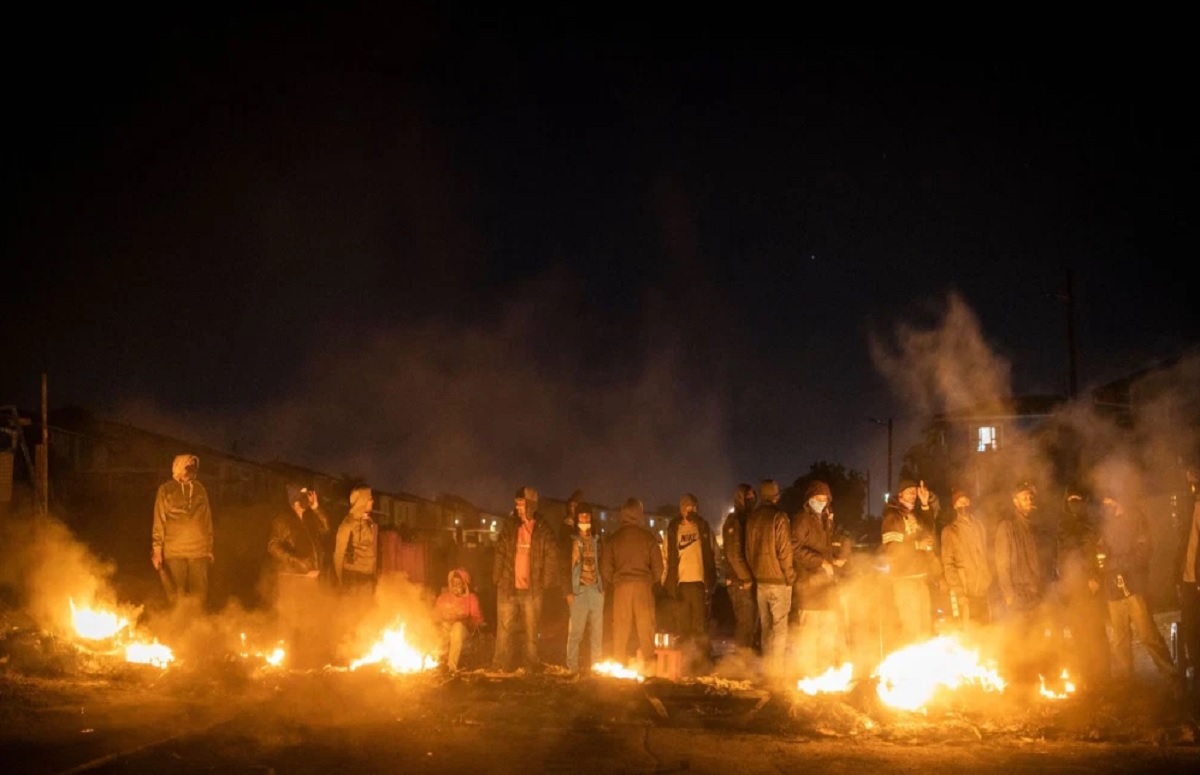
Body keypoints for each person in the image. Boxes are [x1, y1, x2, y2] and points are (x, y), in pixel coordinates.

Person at [1098, 489, 1178, 686]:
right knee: (1120, 643)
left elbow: (1143, 552)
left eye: (1109, 501)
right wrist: (1099, 558)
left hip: (1134, 588)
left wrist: (1114, 563)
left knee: (1148, 635)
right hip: (1113, 592)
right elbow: (1100, 551)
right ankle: (1127, 685)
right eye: (1104, 502)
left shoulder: (1136, 519)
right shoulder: (1104, 526)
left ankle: (1173, 679)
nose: (1106, 505)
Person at [491, 486, 559, 673]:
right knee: (504, 630)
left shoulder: (543, 529)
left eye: (521, 503)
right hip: (507, 587)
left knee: (531, 631)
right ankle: (500, 666)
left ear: (531, 505)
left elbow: (552, 555)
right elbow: (500, 551)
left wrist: (545, 582)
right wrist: (497, 576)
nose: (518, 506)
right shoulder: (510, 525)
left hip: (533, 589)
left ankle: (531, 664)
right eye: (516, 503)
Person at [266, 483, 332, 667]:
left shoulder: (311, 518)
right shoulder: (282, 520)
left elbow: (326, 529)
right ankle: (285, 662)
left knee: (310, 618)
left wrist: (317, 508)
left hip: (311, 577)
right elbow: (273, 546)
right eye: (303, 496)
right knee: (290, 620)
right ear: (295, 501)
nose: (307, 499)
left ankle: (307, 659)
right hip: (292, 578)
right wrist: (297, 562)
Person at [994, 480, 1052, 684]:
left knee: (1034, 640)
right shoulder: (1007, 527)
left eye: (1030, 497)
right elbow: (1002, 564)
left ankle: (1034, 683)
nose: (1029, 500)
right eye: (1024, 497)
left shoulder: (1031, 527)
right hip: (1018, 595)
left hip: (1034, 593)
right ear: (1015, 501)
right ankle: (1020, 687)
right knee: (1019, 641)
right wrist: (1009, 594)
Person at [600, 497, 663, 676]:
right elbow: (659, 568)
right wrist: (649, 580)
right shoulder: (648, 538)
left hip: (621, 588)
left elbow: (605, 567)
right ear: (639, 514)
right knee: (646, 627)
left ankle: (619, 665)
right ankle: (650, 669)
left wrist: (616, 580)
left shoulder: (614, 539)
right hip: (643, 587)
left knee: (620, 628)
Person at [790, 480, 846, 678]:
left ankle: (825, 672)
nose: (822, 502)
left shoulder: (825, 520)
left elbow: (829, 546)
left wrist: (836, 558)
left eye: (825, 499)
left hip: (826, 587)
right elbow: (794, 548)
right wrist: (821, 562)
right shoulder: (802, 520)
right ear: (809, 499)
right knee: (809, 634)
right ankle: (808, 673)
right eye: (818, 498)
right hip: (809, 585)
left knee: (828, 630)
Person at [1055, 486, 1109, 693]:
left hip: (1091, 586)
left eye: (1078, 498)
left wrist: (1095, 576)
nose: (1074, 502)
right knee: (1079, 631)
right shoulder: (1063, 526)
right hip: (1073, 586)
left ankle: (1103, 675)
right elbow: (1061, 556)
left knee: (1096, 631)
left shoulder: (1092, 524)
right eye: (1071, 499)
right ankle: (1085, 676)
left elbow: (1099, 552)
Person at [743, 479, 795, 683]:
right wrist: (790, 576)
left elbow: (748, 551)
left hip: (760, 582)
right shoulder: (779, 518)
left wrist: (755, 573)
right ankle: (777, 672)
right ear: (776, 496)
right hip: (778, 581)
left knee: (765, 627)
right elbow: (784, 551)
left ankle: (767, 668)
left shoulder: (752, 518)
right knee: (780, 628)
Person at [880, 478, 940, 647]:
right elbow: (891, 546)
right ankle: (909, 665)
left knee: (924, 623)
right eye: (909, 492)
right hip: (904, 579)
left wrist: (925, 504)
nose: (913, 495)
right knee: (911, 625)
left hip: (920, 577)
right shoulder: (892, 516)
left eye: (915, 491)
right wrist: (916, 545)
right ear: (900, 494)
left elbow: (929, 530)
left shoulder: (917, 514)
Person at [151, 453, 213, 610]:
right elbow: (159, 520)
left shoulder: (200, 490)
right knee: (176, 598)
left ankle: (198, 629)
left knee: (199, 598)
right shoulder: (166, 490)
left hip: (199, 552)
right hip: (175, 553)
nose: (192, 469)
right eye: (188, 466)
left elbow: (207, 520)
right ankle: (179, 630)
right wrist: (157, 550)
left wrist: (209, 548)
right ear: (179, 467)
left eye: (194, 466)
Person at [664, 493, 717, 674]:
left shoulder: (703, 527)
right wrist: (667, 584)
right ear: (682, 509)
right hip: (680, 586)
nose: (692, 510)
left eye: (694, 506)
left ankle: (702, 665)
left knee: (700, 627)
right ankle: (685, 664)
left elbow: (713, 553)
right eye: (688, 506)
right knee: (683, 628)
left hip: (700, 584)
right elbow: (666, 557)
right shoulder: (673, 529)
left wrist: (713, 579)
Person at [939, 488, 993, 628]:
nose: (963, 504)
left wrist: (989, 579)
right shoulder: (950, 531)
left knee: (986, 631)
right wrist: (958, 592)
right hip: (966, 591)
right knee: (970, 633)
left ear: (970, 502)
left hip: (983, 588)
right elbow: (948, 564)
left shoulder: (980, 526)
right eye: (959, 502)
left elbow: (986, 554)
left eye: (965, 500)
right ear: (955, 506)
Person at [563, 504, 604, 675]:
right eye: (582, 517)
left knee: (597, 633)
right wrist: (567, 592)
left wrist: (603, 588)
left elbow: (603, 563)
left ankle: (596, 668)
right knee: (576, 633)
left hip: (596, 590)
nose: (585, 520)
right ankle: (572, 667)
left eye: (587, 517)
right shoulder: (570, 540)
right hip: (578, 591)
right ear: (577, 519)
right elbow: (563, 567)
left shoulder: (597, 540)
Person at [721, 483, 757, 655]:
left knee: (750, 621)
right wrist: (746, 577)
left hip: (745, 578)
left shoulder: (748, 519)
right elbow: (733, 554)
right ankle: (740, 663)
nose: (751, 499)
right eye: (747, 496)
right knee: (746, 621)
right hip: (740, 581)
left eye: (752, 496)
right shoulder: (735, 521)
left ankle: (746, 659)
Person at [434, 567, 485, 673]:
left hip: (463, 632)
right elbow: (434, 615)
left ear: (465, 584)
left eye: (459, 583)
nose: (455, 586)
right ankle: (431, 664)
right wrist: (444, 621)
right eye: (454, 583)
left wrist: (462, 620)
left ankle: (451, 668)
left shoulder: (471, 598)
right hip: (445, 629)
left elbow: (478, 620)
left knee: (457, 627)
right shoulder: (443, 598)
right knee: (435, 628)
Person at [334, 486, 379, 595]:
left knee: (370, 611)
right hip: (353, 577)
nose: (372, 501)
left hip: (368, 575)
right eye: (369, 498)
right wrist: (339, 580)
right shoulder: (347, 524)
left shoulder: (369, 522)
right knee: (355, 611)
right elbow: (338, 554)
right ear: (362, 501)